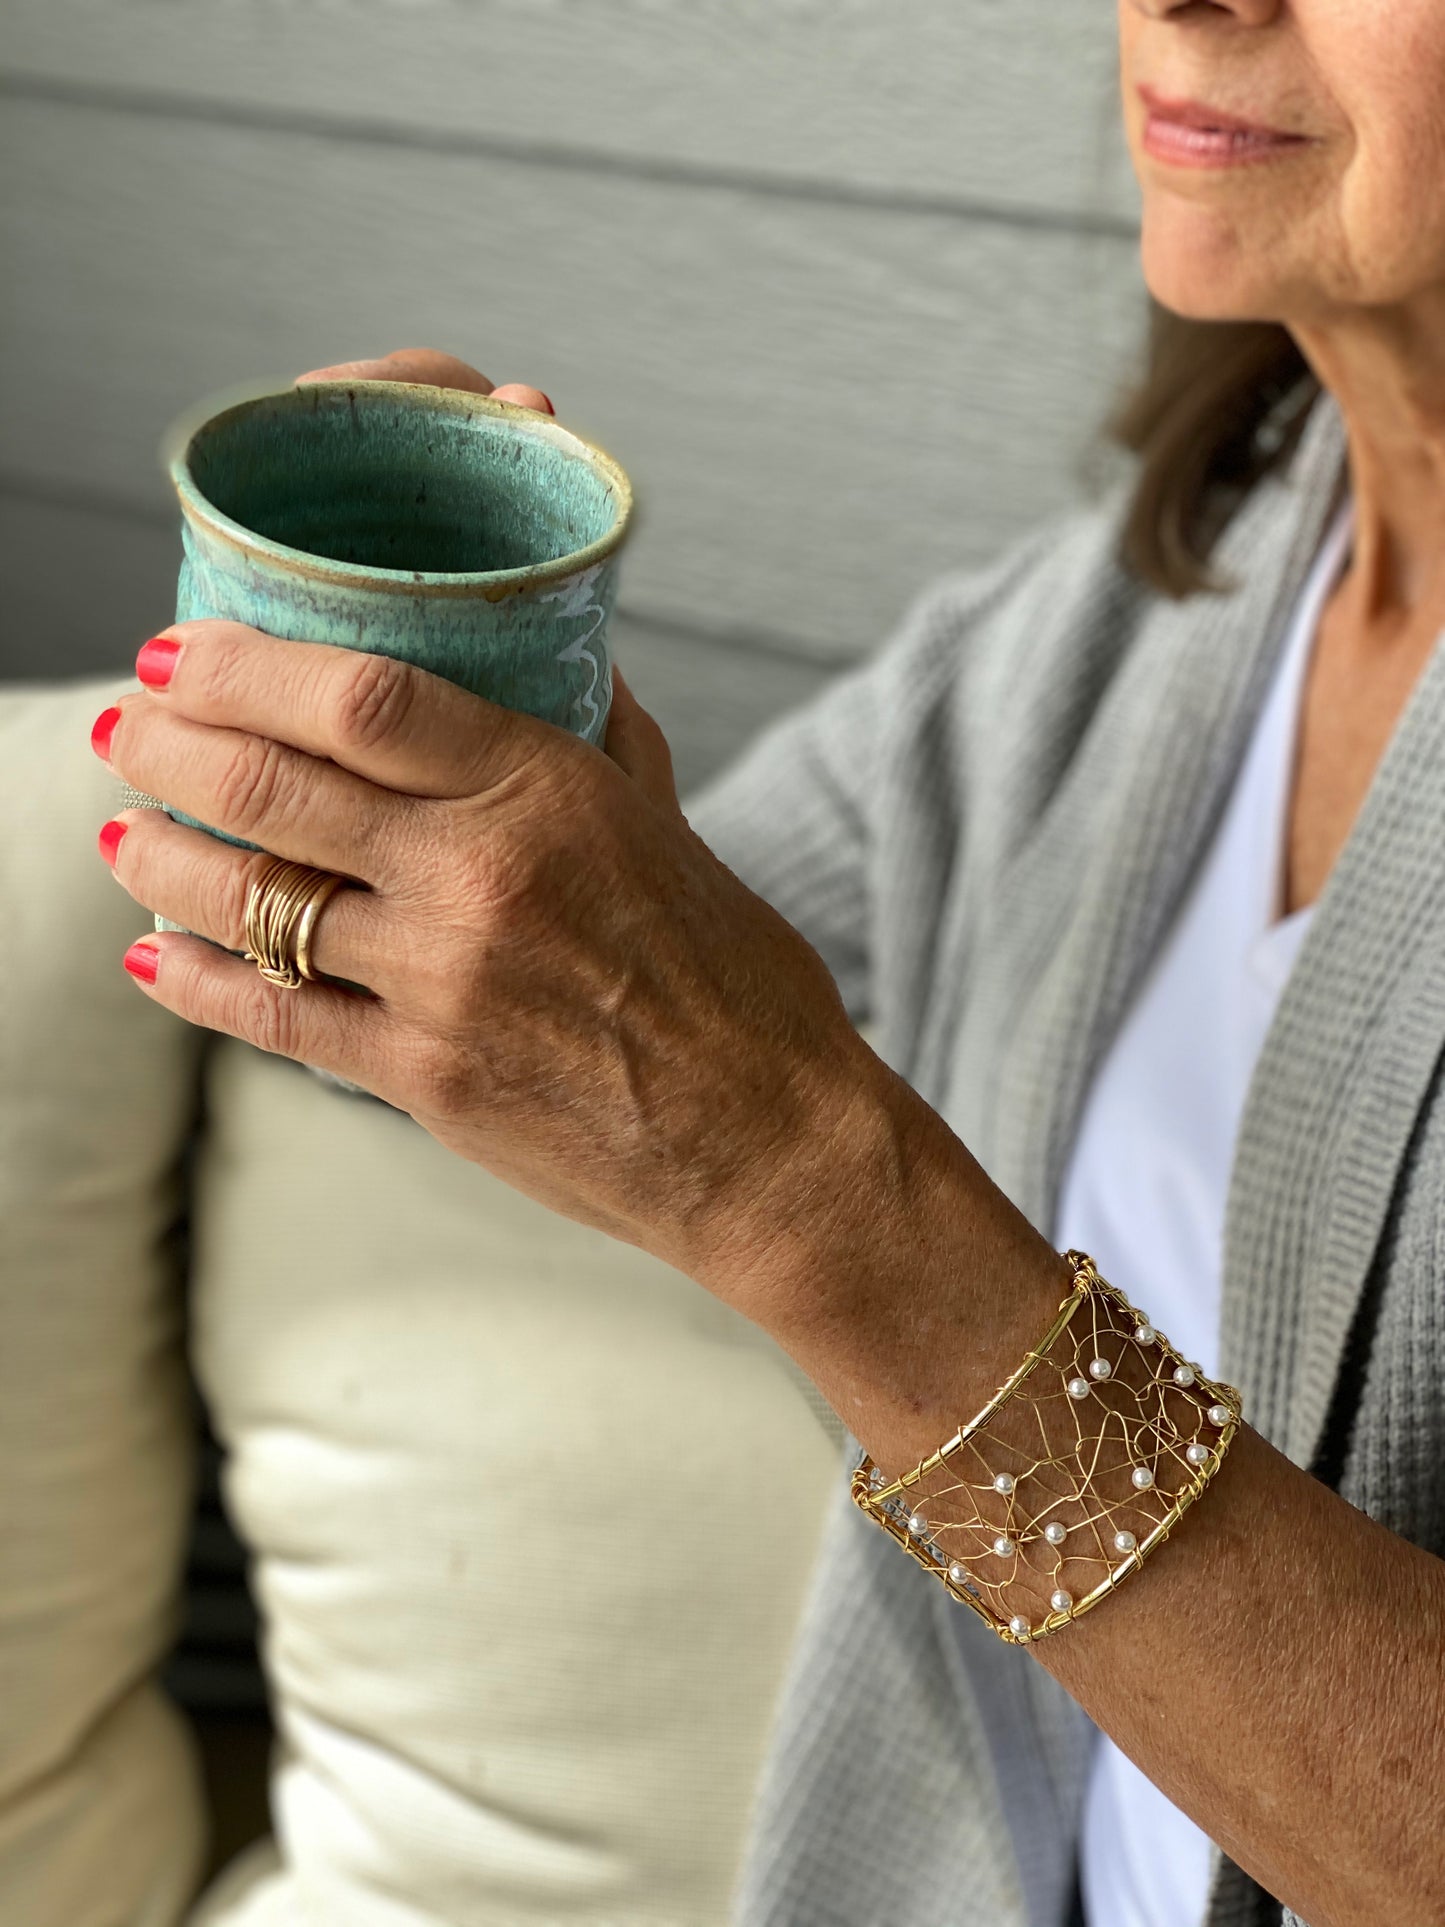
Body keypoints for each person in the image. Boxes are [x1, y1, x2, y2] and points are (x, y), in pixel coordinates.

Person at [86, 1, 1445, 1922]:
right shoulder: (1109, 641)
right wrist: (429, 732)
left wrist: (810, 1193)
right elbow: (568, 1017)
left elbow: (724, 1105)